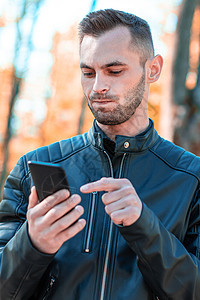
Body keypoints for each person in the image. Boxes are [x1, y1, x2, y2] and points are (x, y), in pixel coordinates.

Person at [0, 8, 200, 300]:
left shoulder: (191, 178)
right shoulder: (34, 168)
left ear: (153, 69)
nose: (98, 87)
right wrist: (32, 245)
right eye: (87, 72)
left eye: (114, 71)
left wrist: (145, 227)